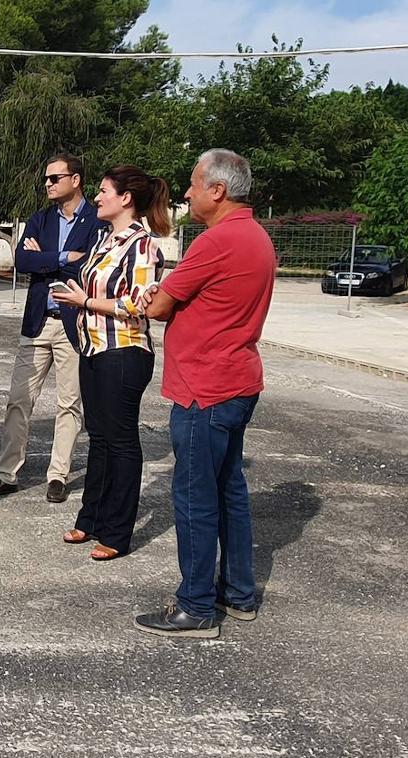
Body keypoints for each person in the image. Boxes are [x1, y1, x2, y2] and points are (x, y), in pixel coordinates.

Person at [133, 149, 276, 639]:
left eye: (193, 184)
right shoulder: (257, 237)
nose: (187, 192)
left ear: (218, 190)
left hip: (205, 387)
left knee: (195, 496)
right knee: (228, 488)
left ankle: (194, 606)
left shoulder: (216, 242)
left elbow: (159, 305)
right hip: (237, 380)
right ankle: (236, 593)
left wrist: (162, 297)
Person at [51, 166, 171, 561]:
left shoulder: (143, 246)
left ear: (125, 199)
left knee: (121, 442)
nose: (97, 198)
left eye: (103, 191)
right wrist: (78, 292)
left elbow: (140, 304)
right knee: (99, 437)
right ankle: (91, 519)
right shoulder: (106, 240)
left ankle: (117, 532)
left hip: (123, 354)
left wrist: (84, 302)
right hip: (93, 350)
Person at [0, 153, 102, 504]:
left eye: (54, 178)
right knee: (19, 400)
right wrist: (63, 257)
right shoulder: (40, 218)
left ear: (75, 180)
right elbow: (23, 259)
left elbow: (91, 265)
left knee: (69, 404)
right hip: (36, 323)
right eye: (46, 179)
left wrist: (46, 257)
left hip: (73, 324)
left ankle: (58, 475)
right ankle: (6, 474)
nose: (47, 184)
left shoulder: (96, 220)